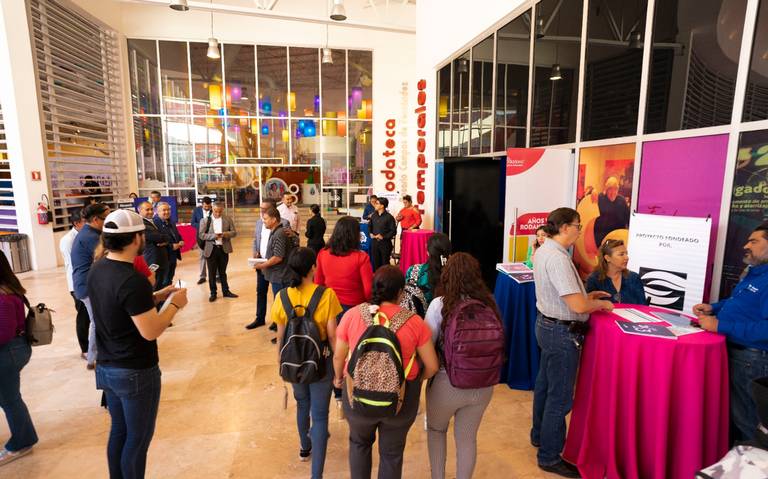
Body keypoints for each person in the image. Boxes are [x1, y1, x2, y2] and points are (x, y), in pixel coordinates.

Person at [89, 209, 188, 479]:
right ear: (134, 239)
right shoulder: (132, 279)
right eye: (143, 235)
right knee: (138, 439)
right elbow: (151, 330)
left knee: (119, 432)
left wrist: (158, 295)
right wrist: (175, 305)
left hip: (107, 368)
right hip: (134, 371)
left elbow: (123, 308)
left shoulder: (98, 268)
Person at [333, 265, 439, 479]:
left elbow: (338, 356)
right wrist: (415, 381)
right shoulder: (414, 322)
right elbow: (432, 366)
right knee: (392, 454)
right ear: (400, 292)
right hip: (401, 399)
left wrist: (338, 379)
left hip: (357, 395)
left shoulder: (352, 315)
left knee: (359, 444)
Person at [531, 207, 613, 478]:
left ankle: (540, 436)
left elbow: (568, 296)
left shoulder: (545, 250)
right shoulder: (557, 258)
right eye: (578, 225)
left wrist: (588, 295)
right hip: (561, 332)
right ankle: (550, 456)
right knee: (560, 397)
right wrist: (598, 304)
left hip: (547, 324)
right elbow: (577, 306)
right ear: (565, 227)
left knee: (545, 386)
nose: (581, 230)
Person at [424, 252, 499, 479]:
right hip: (483, 386)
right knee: (467, 439)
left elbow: (427, 344)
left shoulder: (440, 304)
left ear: (447, 276)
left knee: (437, 431)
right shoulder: (489, 304)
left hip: (447, 384)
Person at [694, 222, 768, 442]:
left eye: (754, 241)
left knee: (747, 422)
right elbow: (740, 303)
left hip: (751, 360)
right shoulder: (755, 274)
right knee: (734, 418)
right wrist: (713, 308)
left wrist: (719, 325)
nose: (746, 245)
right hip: (736, 354)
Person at [272, 247, 342, 478]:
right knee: (320, 415)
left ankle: (305, 447)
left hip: (292, 361)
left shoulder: (282, 296)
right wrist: (339, 369)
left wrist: (280, 362)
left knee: (302, 404)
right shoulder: (326, 294)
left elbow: (280, 336)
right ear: (313, 267)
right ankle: (316, 475)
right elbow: (332, 336)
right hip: (320, 361)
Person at [0, 252, 38, 467]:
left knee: (9, 399)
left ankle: (23, 441)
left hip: (9, 352)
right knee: (7, 397)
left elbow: (3, 333)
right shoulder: (9, 287)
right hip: (14, 349)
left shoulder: (3, 296)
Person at [71, 202, 110, 370]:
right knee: (98, 321)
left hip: (90, 284)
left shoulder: (92, 233)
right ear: (95, 219)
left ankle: (94, 356)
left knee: (97, 320)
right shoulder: (90, 237)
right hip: (88, 286)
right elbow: (107, 257)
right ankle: (93, 357)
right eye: (106, 218)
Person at [246, 199, 291, 330]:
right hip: (262, 262)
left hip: (275, 266)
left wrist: (294, 235)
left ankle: (278, 322)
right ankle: (260, 318)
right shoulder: (260, 222)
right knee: (261, 291)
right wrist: (256, 252)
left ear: (273, 211)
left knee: (278, 294)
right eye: (261, 209)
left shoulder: (283, 224)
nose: (262, 212)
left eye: (265, 210)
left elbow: (287, 246)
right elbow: (256, 239)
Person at [59, 209, 89, 359]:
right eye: (85, 221)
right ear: (76, 223)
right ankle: (85, 348)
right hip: (78, 284)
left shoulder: (86, 236)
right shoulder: (68, 240)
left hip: (90, 282)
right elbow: (76, 264)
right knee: (83, 316)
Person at [585, 239, 647, 305]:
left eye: (626, 253)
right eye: (621, 254)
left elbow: (643, 306)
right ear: (607, 258)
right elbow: (589, 307)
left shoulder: (634, 278)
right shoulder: (594, 279)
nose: (626, 257)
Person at [254, 207, 296, 301]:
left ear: (273, 219)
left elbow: (278, 257)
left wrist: (262, 266)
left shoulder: (279, 233)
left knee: (281, 305)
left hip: (281, 276)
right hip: (278, 275)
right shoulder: (276, 232)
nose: (263, 221)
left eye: (265, 219)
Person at [199, 204, 238, 302]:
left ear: (223, 210)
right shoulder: (205, 221)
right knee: (211, 273)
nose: (218, 213)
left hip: (223, 249)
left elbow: (234, 232)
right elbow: (201, 235)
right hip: (211, 250)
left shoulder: (227, 219)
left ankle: (226, 291)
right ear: (212, 209)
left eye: (220, 211)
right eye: (216, 211)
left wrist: (225, 234)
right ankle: (213, 293)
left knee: (223, 272)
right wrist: (213, 236)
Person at [405, 233, 451, 305]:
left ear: (427, 251)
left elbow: (408, 300)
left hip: (419, 315)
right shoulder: (456, 274)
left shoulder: (413, 271)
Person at [139, 201, 170, 292]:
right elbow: (159, 237)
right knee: (154, 288)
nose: (150, 211)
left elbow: (165, 236)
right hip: (153, 261)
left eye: (152, 209)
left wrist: (165, 239)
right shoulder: (142, 224)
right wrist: (165, 238)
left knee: (160, 286)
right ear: (139, 211)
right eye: (147, 209)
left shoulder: (151, 221)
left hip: (159, 260)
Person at [593, 176, 629, 248]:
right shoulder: (600, 198)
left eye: (615, 189)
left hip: (617, 238)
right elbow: (589, 208)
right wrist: (593, 192)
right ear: (606, 189)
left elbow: (628, 218)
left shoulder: (622, 201)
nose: (613, 192)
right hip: (601, 237)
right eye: (610, 189)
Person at [154, 202, 183, 288]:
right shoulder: (155, 224)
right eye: (164, 210)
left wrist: (181, 240)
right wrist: (171, 246)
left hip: (173, 256)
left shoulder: (171, 221)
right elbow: (158, 242)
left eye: (168, 210)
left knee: (170, 278)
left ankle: (167, 297)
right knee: (163, 281)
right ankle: (162, 300)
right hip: (164, 257)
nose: (167, 212)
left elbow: (176, 234)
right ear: (157, 211)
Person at [369, 197, 397, 271]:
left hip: (385, 244)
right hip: (374, 243)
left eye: (377, 203)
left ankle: (386, 281)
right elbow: (370, 226)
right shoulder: (374, 215)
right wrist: (370, 233)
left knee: (385, 264)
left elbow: (393, 231)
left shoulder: (389, 217)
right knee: (375, 263)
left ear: (382, 206)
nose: (375, 205)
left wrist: (383, 237)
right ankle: (376, 280)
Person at [191, 196, 213, 285]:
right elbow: (193, 223)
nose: (207, 208)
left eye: (209, 207)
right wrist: (202, 227)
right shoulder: (196, 211)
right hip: (201, 237)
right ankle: (202, 277)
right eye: (205, 207)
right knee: (202, 257)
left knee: (213, 257)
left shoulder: (214, 210)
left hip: (212, 237)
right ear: (202, 205)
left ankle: (216, 276)